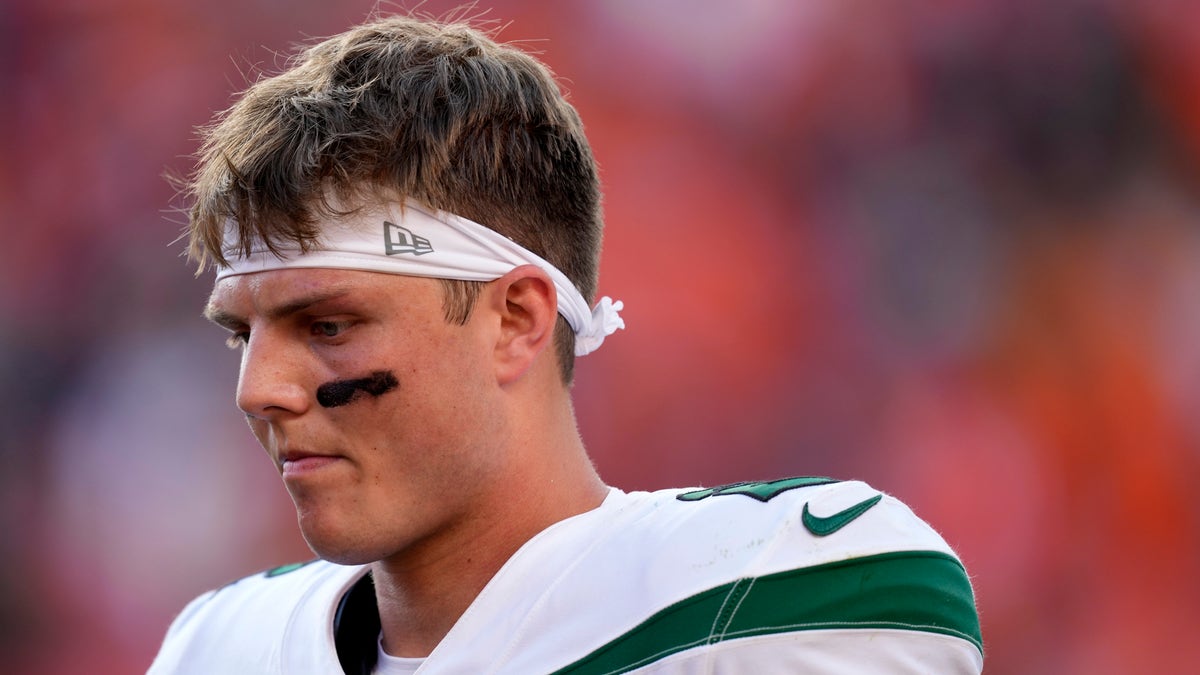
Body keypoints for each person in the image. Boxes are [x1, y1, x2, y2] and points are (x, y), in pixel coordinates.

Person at [148, 13, 983, 674]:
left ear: (516, 319)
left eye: (327, 325)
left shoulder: (762, 595)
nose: (259, 389)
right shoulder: (217, 647)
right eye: (242, 334)